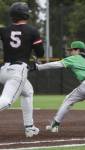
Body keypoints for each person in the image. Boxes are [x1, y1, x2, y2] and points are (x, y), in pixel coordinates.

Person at [0, 2, 44, 137]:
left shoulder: (4, 30)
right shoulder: (32, 30)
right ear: (26, 14)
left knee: (28, 92)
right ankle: (29, 127)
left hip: (4, 70)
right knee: (7, 101)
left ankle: (29, 127)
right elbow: (40, 53)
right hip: (17, 72)